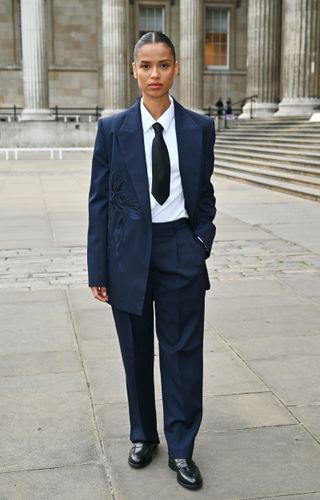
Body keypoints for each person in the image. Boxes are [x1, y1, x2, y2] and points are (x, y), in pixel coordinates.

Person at [87, 31, 216, 491]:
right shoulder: (113, 129)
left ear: (176, 68)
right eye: (146, 65)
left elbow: (203, 194)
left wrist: (200, 239)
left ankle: (182, 447)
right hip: (128, 257)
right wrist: (98, 269)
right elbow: (99, 202)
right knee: (136, 353)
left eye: (163, 65)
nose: (154, 74)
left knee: (182, 355)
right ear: (134, 69)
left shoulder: (200, 128)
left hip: (180, 249)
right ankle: (144, 435)